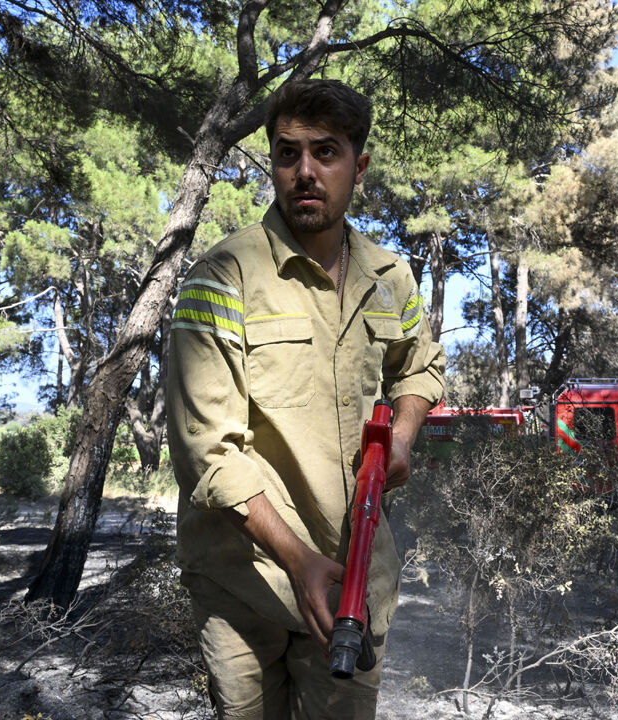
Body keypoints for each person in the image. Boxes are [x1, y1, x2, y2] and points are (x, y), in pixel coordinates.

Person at [166, 78, 445, 720]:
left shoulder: (391, 278)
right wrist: (297, 561)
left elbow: (420, 369)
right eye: (288, 153)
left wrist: (402, 438)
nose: (305, 172)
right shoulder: (222, 277)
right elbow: (207, 452)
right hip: (243, 582)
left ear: (359, 167)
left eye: (326, 152)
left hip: (354, 579)